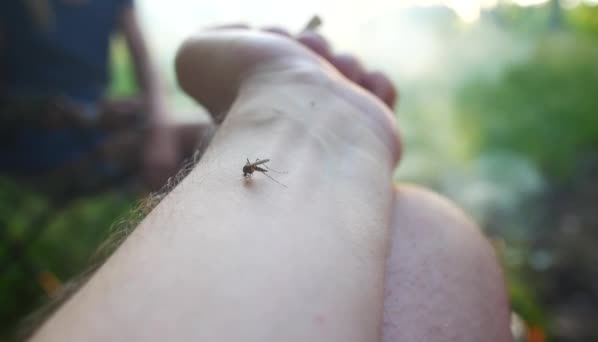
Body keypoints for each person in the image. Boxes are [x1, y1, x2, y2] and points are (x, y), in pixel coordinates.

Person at [27, 26, 513, 341]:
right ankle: (302, 113)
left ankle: (290, 120)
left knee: (426, 225)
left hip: (112, 125)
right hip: (41, 140)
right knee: (426, 225)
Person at [0, 0, 209, 193]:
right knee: (202, 139)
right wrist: (91, 116)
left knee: (207, 136)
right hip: (39, 145)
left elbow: (146, 65)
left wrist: (160, 130)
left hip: (99, 132)